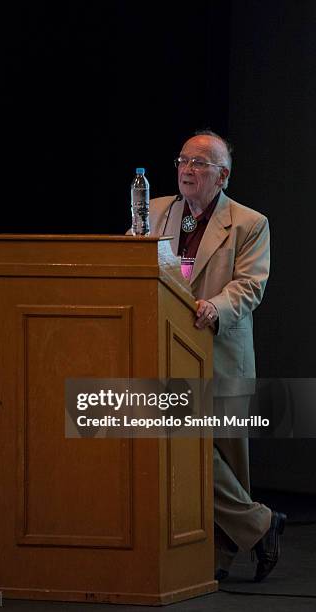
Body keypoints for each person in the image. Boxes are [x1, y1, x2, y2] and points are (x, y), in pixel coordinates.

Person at [148, 129, 286, 582]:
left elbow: (250, 285)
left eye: (200, 163)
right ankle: (259, 525)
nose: (188, 170)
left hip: (220, 348)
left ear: (222, 175)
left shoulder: (249, 222)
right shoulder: (156, 211)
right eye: (184, 160)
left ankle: (221, 556)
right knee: (181, 440)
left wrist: (215, 306)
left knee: (225, 454)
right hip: (163, 346)